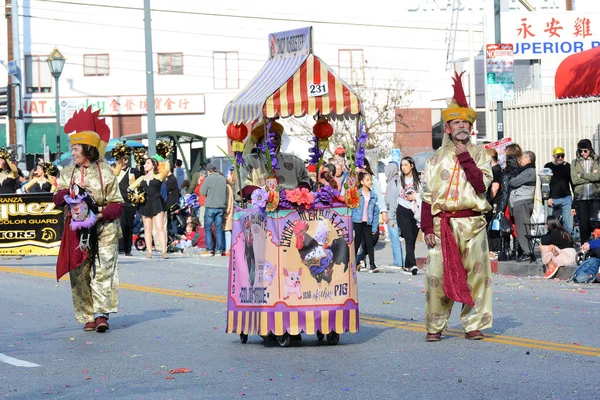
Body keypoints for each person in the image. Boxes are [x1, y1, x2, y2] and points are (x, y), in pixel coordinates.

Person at [420, 72, 493, 342]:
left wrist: (466, 159)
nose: (461, 126)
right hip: (442, 226)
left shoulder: (480, 154)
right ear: (448, 128)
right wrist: (426, 226)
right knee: (436, 276)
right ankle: (435, 326)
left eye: (465, 122)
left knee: (476, 275)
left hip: (473, 224)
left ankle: (473, 324)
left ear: (471, 128)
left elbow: (482, 185)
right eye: (456, 122)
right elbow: (427, 196)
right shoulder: (434, 159)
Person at [53, 106, 124, 333]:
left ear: (88, 149)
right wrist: (70, 198)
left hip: (105, 227)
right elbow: (57, 196)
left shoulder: (106, 172)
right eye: (72, 148)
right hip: (77, 228)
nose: (72, 152)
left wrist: (100, 214)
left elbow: (117, 203)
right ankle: (87, 314)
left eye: (76, 148)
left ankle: (102, 314)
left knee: (104, 269)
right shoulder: (68, 171)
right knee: (80, 271)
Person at [241, 120, 310, 197]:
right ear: (259, 143)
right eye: (269, 138)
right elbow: (244, 186)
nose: (273, 141)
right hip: (260, 205)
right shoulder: (249, 161)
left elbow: (305, 182)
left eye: (276, 138)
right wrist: (263, 196)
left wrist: (295, 195)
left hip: (291, 204)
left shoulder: (294, 161)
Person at [130, 155, 170, 259]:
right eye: (145, 163)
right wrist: (136, 195)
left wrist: (166, 159)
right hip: (145, 203)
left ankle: (164, 250)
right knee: (147, 229)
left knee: (160, 227)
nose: (145, 165)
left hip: (157, 202)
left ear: (153, 166)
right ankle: (149, 251)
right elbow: (131, 187)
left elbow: (166, 170)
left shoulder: (159, 176)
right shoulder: (142, 178)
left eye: (148, 163)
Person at [509, 151, 537, 262]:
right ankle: (527, 251)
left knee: (523, 229)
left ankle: (528, 252)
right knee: (522, 228)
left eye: (523, 158)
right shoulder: (526, 171)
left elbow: (514, 182)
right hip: (521, 202)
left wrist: (511, 179)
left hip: (522, 203)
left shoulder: (529, 171)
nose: (521, 160)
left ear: (529, 159)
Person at [396, 156, 422, 275]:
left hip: (416, 211)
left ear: (412, 165)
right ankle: (413, 265)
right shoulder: (399, 180)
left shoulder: (419, 180)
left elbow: (424, 195)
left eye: (406, 165)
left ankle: (407, 265)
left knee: (412, 239)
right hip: (403, 210)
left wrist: (415, 197)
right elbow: (394, 197)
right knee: (409, 238)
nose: (404, 167)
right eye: (402, 165)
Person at [571, 139, 600, 243]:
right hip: (581, 198)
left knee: (596, 225)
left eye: (585, 151)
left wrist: (582, 175)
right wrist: (592, 176)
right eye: (580, 151)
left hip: (595, 197)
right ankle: (584, 248)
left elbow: (598, 176)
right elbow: (574, 179)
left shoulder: (597, 160)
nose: (583, 153)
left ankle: (595, 249)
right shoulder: (574, 162)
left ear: (590, 150)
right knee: (584, 226)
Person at [351, 171, 380, 273]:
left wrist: (375, 226)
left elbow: (376, 212)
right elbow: (352, 209)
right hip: (357, 222)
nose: (370, 182)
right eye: (367, 180)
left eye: (370, 180)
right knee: (357, 243)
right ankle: (353, 264)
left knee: (369, 244)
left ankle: (372, 265)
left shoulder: (373, 196)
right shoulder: (357, 194)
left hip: (368, 222)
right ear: (362, 182)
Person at [110, 145, 135, 256]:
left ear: (126, 160)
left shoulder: (131, 171)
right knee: (121, 225)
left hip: (129, 202)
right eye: (117, 159)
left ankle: (128, 249)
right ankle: (120, 247)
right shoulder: (113, 171)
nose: (118, 161)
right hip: (118, 202)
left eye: (120, 159)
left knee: (129, 225)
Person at [544, 147, 574, 235]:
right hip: (553, 198)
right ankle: (551, 238)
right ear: (554, 156)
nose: (560, 158)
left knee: (568, 222)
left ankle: (567, 239)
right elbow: (545, 183)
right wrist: (547, 198)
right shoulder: (548, 166)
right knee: (550, 221)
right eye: (558, 156)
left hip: (566, 197)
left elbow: (572, 182)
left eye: (562, 156)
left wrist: (574, 201)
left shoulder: (567, 166)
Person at [200, 163, 227, 257]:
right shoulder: (223, 179)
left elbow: (202, 192)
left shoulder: (208, 179)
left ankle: (209, 249)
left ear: (208, 171)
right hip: (220, 207)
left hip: (210, 207)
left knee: (207, 228)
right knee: (219, 229)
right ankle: (219, 250)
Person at [383, 162, 405, 269]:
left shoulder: (392, 183)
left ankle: (398, 262)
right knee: (396, 238)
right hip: (397, 213)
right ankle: (400, 261)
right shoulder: (398, 180)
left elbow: (392, 201)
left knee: (394, 239)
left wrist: (390, 218)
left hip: (392, 215)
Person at [539, 215, 576, 279]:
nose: (545, 225)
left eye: (546, 224)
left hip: (563, 258)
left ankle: (551, 266)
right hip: (572, 256)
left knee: (544, 247)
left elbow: (543, 240)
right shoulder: (564, 232)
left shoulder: (552, 234)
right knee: (551, 246)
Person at [223, 166, 236, 255]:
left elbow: (229, 200)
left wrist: (226, 211)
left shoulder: (228, 187)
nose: (227, 177)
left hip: (229, 211)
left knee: (227, 230)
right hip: (231, 210)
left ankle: (228, 248)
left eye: (228, 175)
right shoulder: (231, 187)